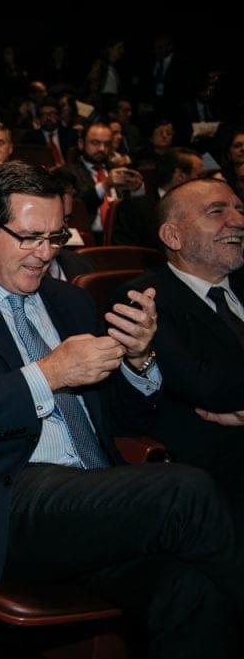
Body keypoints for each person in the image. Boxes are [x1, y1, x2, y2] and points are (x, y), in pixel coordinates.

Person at [0, 161, 244, 659]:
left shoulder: (67, 301)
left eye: (56, 237)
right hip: (12, 500)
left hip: (97, 498)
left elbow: (126, 423)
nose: (45, 254)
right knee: (183, 488)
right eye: (29, 237)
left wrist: (140, 360)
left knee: (192, 593)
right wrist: (48, 374)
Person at [120, 178, 244, 522]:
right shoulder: (145, 299)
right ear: (172, 236)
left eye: (239, 209)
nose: (238, 221)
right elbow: (207, 386)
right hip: (214, 468)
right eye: (217, 211)